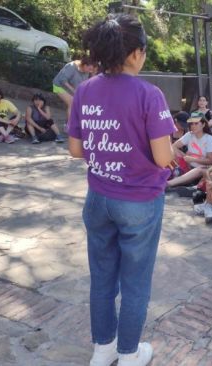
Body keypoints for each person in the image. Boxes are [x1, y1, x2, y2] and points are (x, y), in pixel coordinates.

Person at [67, 14, 176, 366]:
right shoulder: (149, 94)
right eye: (143, 51)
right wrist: (171, 152)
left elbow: (75, 150)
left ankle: (103, 350)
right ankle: (129, 354)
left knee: (101, 277)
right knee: (135, 281)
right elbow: (163, 157)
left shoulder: (84, 90)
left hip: (98, 198)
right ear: (134, 54)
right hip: (139, 201)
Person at [167, 115, 212, 188]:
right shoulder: (189, 135)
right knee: (172, 150)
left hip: (202, 169)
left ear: (203, 125)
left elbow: (211, 161)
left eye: (196, 123)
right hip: (188, 165)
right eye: (191, 124)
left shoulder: (210, 139)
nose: (193, 126)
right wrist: (185, 156)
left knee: (199, 169)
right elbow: (174, 146)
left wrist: (192, 159)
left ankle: (168, 184)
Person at [53, 56, 96, 121]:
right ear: (84, 66)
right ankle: (69, 126)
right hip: (59, 86)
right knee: (72, 103)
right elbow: (63, 80)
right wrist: (74, 90)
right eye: (90, 69)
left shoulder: (86, 71)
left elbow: (85, 83)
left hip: (71, 88)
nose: (90, 71)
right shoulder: (71, 66)